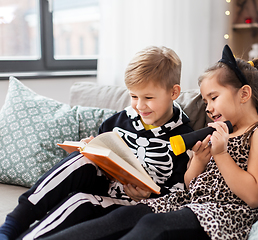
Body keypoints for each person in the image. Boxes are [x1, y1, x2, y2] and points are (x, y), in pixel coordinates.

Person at [39, 44, 258, 240]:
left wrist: (221, 155)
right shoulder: (219, 132)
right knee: (123, 217)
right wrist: (198, 164)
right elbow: (193, 186)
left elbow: (254, 196)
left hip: (224, 216)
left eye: (213, 98)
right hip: (187, 204)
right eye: (205, 101)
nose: (209, 108)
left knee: (152, 225)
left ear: (244, 94)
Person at [0, 46, 194, 240]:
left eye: (148, 98)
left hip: (134, 208)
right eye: (134, 96)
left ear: (174, 92)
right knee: (81, 159)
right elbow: (103, 155)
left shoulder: (187, 137)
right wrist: (92, 150)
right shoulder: (118, 121)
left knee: (80, 201)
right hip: (104, 186)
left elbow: (179, 196)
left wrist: (147, 196)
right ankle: (13, 224)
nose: (140, 105)